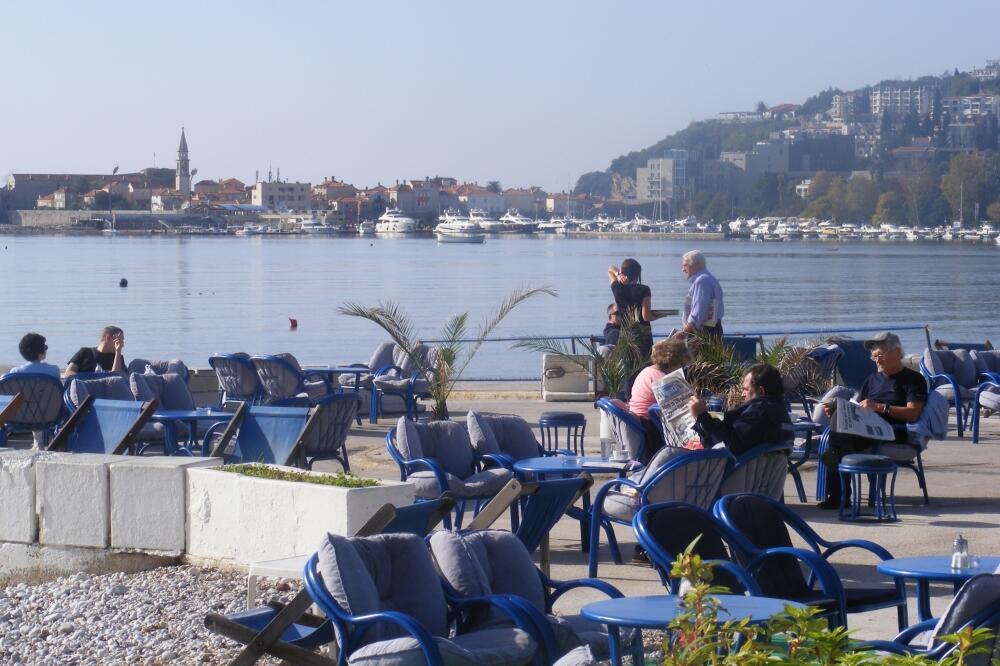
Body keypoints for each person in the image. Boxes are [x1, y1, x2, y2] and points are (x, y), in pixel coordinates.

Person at [817, 331, 927, 510]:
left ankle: (839, 496)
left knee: (836, 444)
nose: (877, 360)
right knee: (837, 428)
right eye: (874, 356)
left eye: (880, 355)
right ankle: (839, 493)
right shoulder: (872, 379)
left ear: (898, 353)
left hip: (894, 429)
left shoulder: (913, 380)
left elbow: (913, 413)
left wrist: (879, 407)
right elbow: (857, 405)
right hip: (865, 427)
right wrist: (840, 410)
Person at [687, 364, 792, 457]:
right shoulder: (779, 411)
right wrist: (708, 416)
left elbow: (730, 446)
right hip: (766, 476)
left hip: (739, 476)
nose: (742, 394)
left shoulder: (758, 411)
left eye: (746, 389)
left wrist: (702, 417)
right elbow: (731, 420)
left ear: (760, 391)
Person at [615, 338, 691, 465]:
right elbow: (684, 407)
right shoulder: (663, 380)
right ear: (675, 361)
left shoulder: (646, 372)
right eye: (682, 365)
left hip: (638, 423)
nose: (682, 369)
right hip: (652, 427)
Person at [607, 258, 653, 361]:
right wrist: (661, 314)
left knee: (629, 368)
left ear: (623, 272)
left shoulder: (617, 288)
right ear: (637, 275)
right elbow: (646, 316)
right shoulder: (644, 289)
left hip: (626, 336)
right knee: (644, 365)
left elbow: (610, 269)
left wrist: (618, 274)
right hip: (643, 336)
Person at [674, 250, 724, 340]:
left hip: (702, 333)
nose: (683, 269)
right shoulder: (709, 279)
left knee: (700, 354)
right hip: (712, 330)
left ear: (696, 265)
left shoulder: (702, 281)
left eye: (685, 265)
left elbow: (698, 313)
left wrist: (683, 332)